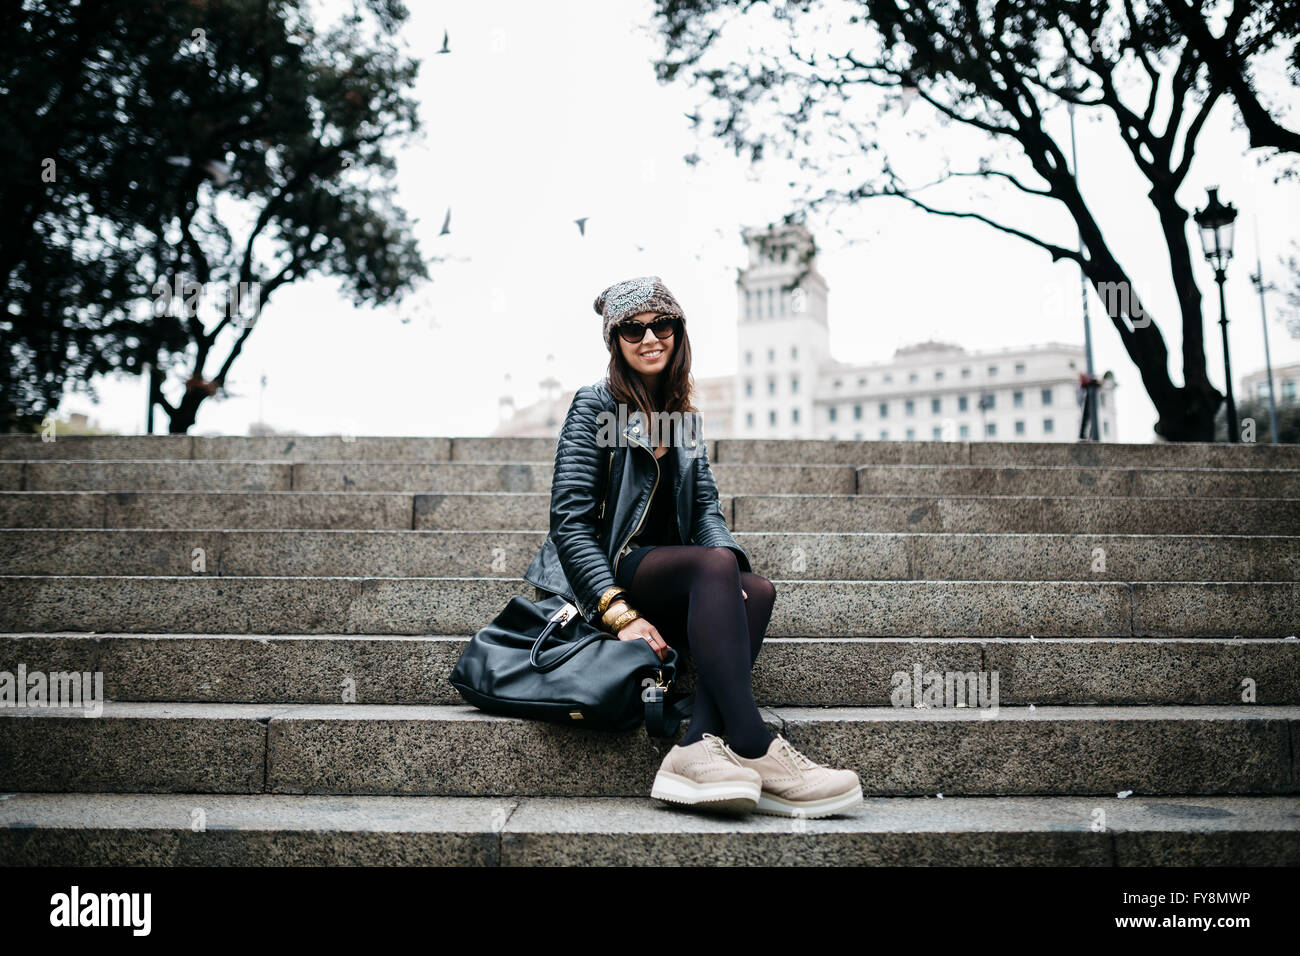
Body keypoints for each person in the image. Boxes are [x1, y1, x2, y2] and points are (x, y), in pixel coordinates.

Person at [523, 275, 862, 818]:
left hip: (676, 571)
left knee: (760, 588)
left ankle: (695, 745)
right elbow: (570, 520)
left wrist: (728, 581)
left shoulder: (681, 418)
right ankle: (753, 744)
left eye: (662, 324)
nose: (649, 337)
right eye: (632, 329)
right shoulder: (597, 405)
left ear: (679, 332)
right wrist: (617, 610)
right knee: (716, 568)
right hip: (614, 569)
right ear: (615, 341)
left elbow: (704, 509)